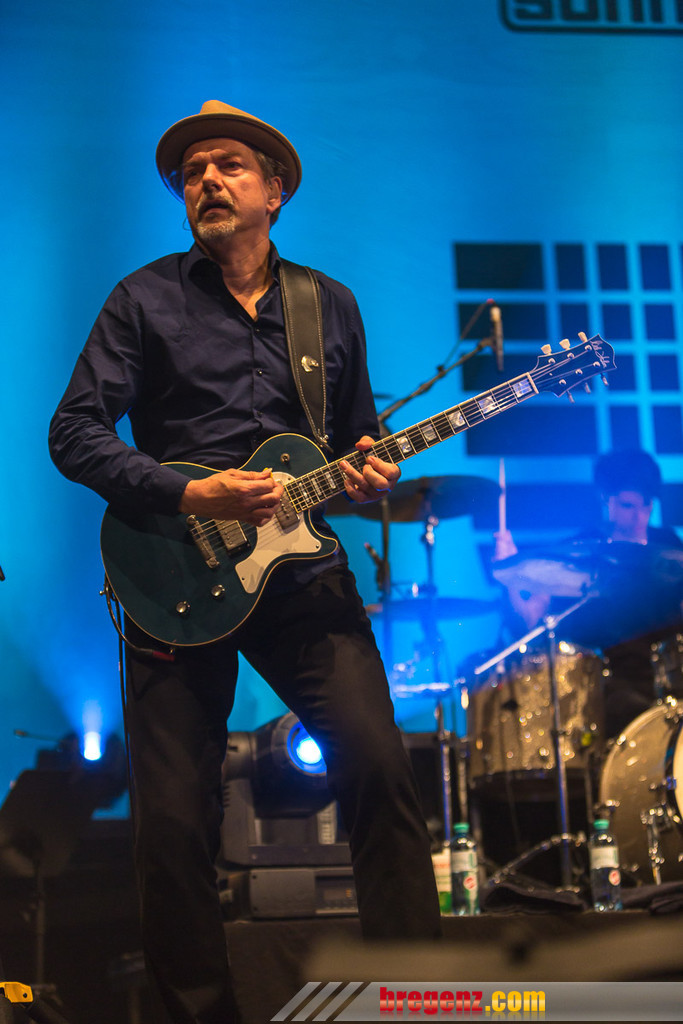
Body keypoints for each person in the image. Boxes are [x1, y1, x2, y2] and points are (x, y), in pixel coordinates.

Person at [49, 100, 441, 1024]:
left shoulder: (327, 304)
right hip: (174, 576)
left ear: (275, 190)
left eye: (227, 165)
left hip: (301, 577)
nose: (206, 181)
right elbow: (73, 433)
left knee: (380, 773)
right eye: (192, 173)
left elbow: (352, 445)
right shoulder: (143, 298)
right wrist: (193, 495)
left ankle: (420, 1000)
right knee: (172, 823)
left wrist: (368, 473)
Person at [493, 448, 683, 737]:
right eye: (628, 506)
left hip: (666, 682)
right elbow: (532, 617)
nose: (640, 516)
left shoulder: (669, 546)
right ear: (607, 500)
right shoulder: (579, 551)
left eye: (646, 505)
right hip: (603, 689)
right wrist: (511, 575)